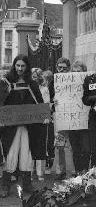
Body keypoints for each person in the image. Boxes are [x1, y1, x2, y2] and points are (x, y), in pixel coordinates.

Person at [0, 55, 47, 197]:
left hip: (28, 126)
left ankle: (27, 183)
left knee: (27, 153)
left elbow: (40, 102)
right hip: (10, 127)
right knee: (11, 153)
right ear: (14, 65)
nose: (20, 68)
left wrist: (45, 114)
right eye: (17, 65)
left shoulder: (31, 83)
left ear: (27, 67)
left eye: (22, 66)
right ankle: (5, 184)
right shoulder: (6, 81)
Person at [68, 61, 91, 174]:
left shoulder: (89, 84)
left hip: (85, 122)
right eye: (74, 71)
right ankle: (78, 173)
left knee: (86, 149)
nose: (76, 74)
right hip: (72, 122)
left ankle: (85, 172)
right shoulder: (67, 87)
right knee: (76, 150)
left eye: (79, 71)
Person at [53, 57, 74, 180]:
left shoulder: (73, 80)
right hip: (59, 114)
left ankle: (72, 171)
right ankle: (60, 170)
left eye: (64, 68)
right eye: (59, 67)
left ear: (68, 68)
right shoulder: (53, 81)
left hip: (72, 115)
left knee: (71, 144)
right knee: (59, 144)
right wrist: (52, 101)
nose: (61, 70)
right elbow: (48, 97)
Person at [31, 68, 47, 181]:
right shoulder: (26, 88)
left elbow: (46, 104)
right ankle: (30, 171)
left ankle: (40, 172)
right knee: (30, 146)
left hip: (41, 121)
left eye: (35, 77)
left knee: (41, 145)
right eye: (32, 77)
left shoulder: (44, 89)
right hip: (30, 121)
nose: (33, 79)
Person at [41, 70, 55, 175]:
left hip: (48, 117)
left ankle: (48, 163)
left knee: (49, 141)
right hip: (44, 116)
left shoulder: (48, 88)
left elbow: (49, 103)